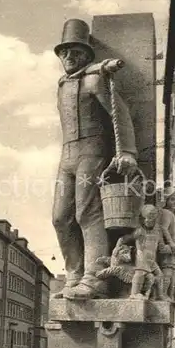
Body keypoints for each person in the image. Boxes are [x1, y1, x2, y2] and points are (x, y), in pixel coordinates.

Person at [52, 19, 138, 300]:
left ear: (87, 54)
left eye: (76, 51)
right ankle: (74, 276)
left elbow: (120, 114)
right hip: (67, 156)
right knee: (60, 218)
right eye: (65, 52)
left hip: (92, 151)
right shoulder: (63, 84)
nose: (69, 57)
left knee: (87, 214)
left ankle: (95, 279)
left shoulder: (94, 79)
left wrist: (127, 151)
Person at [158, 187, 175, 306]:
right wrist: (172, 244)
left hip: (173, 248)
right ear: (166, 200)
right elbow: (163, 228)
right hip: (169, 247)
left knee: (173, 273)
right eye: (172, 199)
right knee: (168, 271)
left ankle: (168, 295)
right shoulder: (166, 213)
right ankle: (163, 294)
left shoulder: (171, 213)